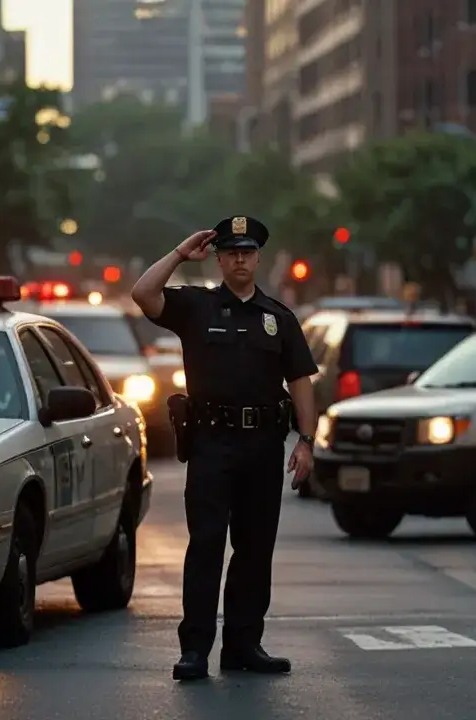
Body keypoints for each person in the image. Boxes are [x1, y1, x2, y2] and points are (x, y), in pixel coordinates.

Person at [130, 216, 318, 682]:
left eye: (247, 252)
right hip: (213, 444)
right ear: (218, 257)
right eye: (231, 251)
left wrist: (307, 441)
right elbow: (143, 294)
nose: (239, 259)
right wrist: (178, 253)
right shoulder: (195, 307)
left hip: (261, 445)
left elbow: (300, 382)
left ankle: (243, 644)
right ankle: (195, 649)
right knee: (207, 545)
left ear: (258, 257)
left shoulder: (278, 318)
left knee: (255, 548)